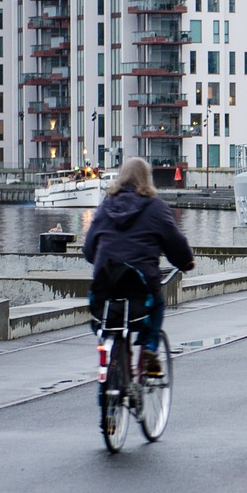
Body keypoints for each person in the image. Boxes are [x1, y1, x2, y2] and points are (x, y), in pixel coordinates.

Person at [83, 157, 195, 376]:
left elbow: (89, 249)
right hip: (141, 287)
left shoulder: (105, 206)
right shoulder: (155, 207)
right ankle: (150, 349)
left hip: (106, 285)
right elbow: (174, 242)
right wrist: (185, 262)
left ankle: (109, 364)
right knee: (157, 305)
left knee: (107, 322)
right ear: (147, 178)